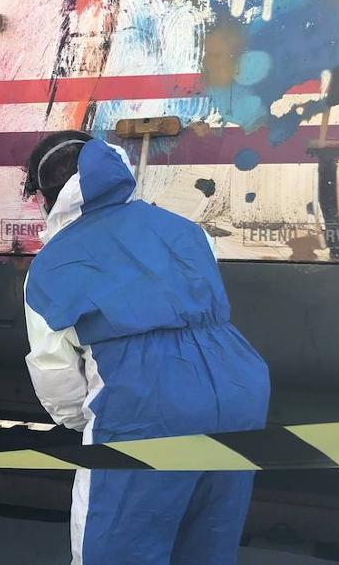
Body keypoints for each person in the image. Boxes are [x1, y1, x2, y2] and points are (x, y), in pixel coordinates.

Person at [21, 131, 270, 565]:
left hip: (146, 405)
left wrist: (92, 419)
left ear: (46, 196)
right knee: (207, 543)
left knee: (116, 549)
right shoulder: (181, 228)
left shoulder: (52, 263)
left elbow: (55, 375)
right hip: (238, 388)